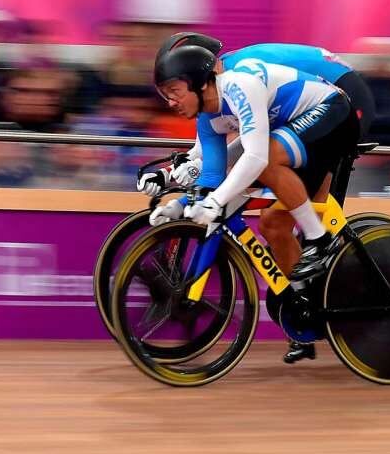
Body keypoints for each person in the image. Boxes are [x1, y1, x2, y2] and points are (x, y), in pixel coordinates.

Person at [144, 33, 361, 363]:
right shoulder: (208, 119)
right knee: (271, 220)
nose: (170, 102)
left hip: (335, 110)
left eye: (174, 91)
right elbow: (211, 181)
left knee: (267, 160)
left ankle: (320, 240)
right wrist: (178, 206)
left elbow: (256, 157)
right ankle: (306, 312)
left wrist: (216, 203)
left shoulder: (239, 84)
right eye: (164, 96)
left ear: (199, 83)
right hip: (295, 126)